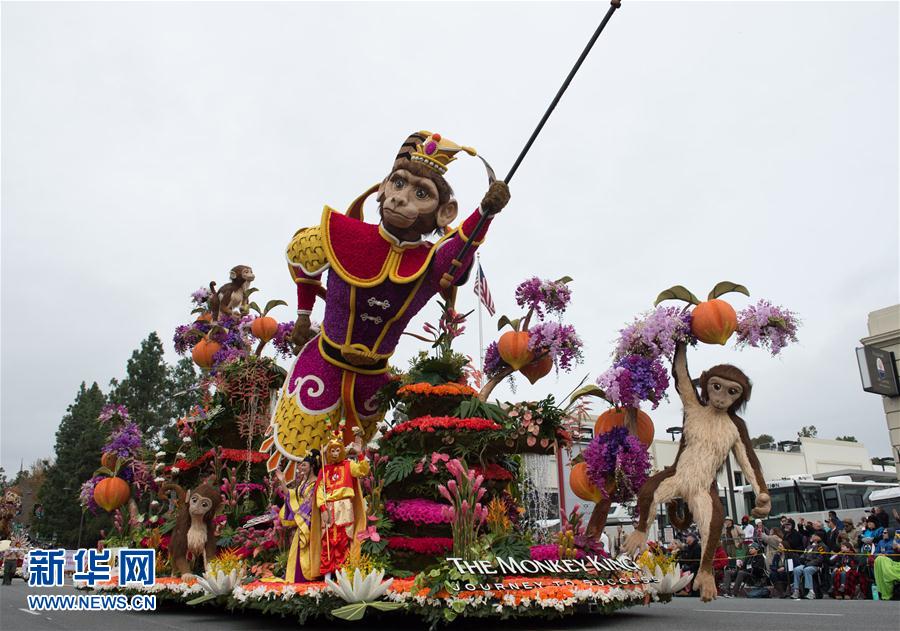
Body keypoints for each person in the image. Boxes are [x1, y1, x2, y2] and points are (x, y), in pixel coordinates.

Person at [266, 131, 511, 472]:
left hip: (372, 382)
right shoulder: (342, 236)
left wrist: (486, 211)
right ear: (382, 188)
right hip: (321, 367)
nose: (400, 198)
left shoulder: (428, 264)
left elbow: (459, 248)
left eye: (420, 193)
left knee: (351, 473)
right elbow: (301, 258)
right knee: (300, 466)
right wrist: (304, 315)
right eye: (398, 184)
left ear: (444, 212)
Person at [277, 449, 322, 582]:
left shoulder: (316, 483)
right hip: (302, 520)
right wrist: (282, 481)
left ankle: (308, 577)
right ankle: (296, 577)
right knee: (297, 548)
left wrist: (299, 517)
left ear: (312, 466)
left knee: (307, 549)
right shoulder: (303, 482)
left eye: (304, 465)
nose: (301, 467)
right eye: (301, 465)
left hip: (310, 521)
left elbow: (309, 504)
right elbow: (291, 496)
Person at [791, 533, 827, 599]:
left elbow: (820, 559)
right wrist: (802, 559)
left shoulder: (822, 546)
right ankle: (796, 590)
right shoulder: (809, 546)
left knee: (807, 570)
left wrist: (809, 564)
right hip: (806, 564)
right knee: (796, 569)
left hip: (815, 565)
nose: (812, 536)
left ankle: (811, 591)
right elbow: (804, 554)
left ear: (818, 537)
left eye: (814, 535)